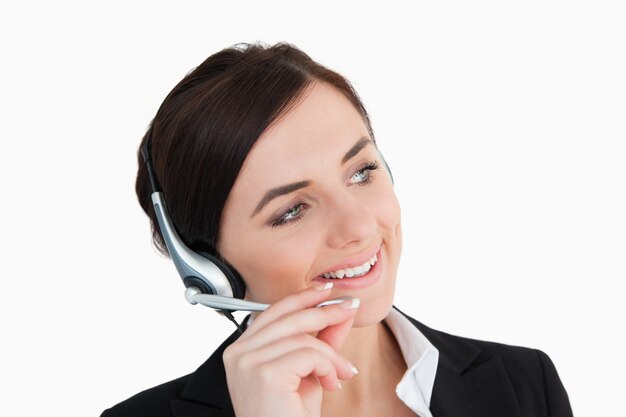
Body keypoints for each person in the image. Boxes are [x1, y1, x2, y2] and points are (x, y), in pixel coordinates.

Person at [101, 42, 573, 417]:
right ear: (208, 266)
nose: (361, 224)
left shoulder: (524, 386)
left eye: (362, 172)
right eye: (292, 211)